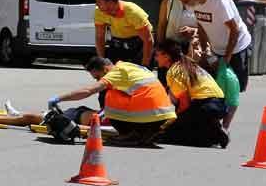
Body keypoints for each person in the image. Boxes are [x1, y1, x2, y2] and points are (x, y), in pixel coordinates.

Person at [48, 57, 176, 146]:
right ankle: (143, 133)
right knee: (120, 93)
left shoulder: (115, 73)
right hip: (162, 114)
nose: (98, 80)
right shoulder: (129, 67)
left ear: (105, 69)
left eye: (97, 77)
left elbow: (88, 91)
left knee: (110, 94)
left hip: (149, 114)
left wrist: (59, 98)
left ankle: (128, 134)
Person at [174, 0, 253, 95]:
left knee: (233, 88)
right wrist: (205, 48)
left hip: (236, 48)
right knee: (215, 86)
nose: (183, 4)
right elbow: (201, 25)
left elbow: (234, 30)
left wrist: (227, 58)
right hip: (216, 48)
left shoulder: (218, 1)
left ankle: (228, 111)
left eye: (185, 1)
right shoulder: (195, 3)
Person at [154, 40, 228, 148]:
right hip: (220, 104)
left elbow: (184, 104)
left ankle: (215, 134)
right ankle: (211, 129)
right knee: (188, 127)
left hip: (205, 106)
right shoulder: (189, 63)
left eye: (157, 55)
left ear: (167, 56)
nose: (155, 58)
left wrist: (171, 123)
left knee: (167, 136)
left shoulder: (174, 71)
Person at [154, 0, 197, 86]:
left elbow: (206, 27)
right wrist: (160, 48)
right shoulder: (168, 0)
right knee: (166, 82)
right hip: (171, 48)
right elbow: (162, 25)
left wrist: (194, 32)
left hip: (191, 49)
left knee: (187, 83)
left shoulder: (197, 1)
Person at [94, 0, 153, 67]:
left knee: (139, 76)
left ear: (110, 2)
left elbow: (148, 40)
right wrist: (102, 60)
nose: (97, 5)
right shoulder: (99, 12)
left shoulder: (133, 12)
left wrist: (145, 65)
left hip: (139, 45)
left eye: (99, 2)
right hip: (118, 45)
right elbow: (99, 36)